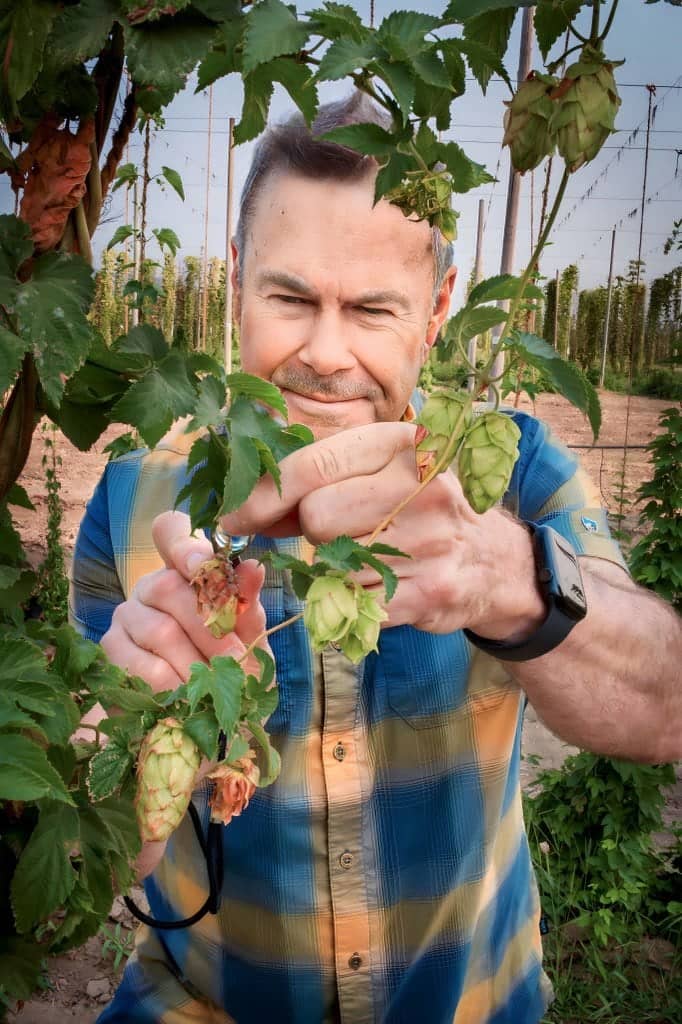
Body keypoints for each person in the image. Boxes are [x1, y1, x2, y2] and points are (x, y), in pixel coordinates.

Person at [72, 93, 681, 1024]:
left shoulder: (506, 472)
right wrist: (129, 800)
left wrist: (512, 580)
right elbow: (96, 840)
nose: (325, 353)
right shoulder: (132, 498)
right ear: (237, 283)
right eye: (289, 297)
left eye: (371, 308)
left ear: (437, 310)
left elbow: (666, 706)